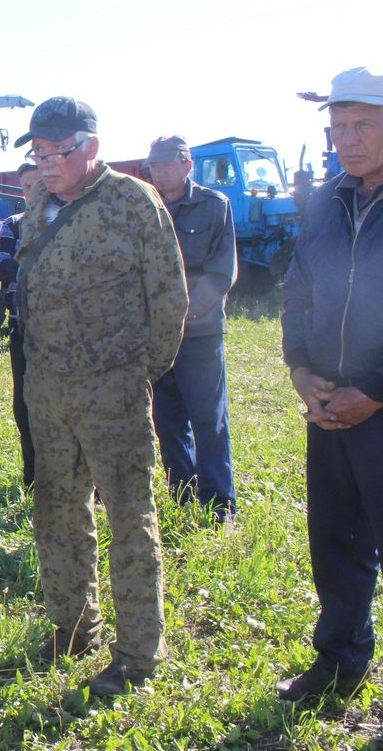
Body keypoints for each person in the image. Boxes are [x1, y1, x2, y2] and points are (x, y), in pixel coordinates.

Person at [14, 97, 187, 696]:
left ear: (90, 146)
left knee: (129, 520)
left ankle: (139, 653)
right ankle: (73, 627)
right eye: (37, 154)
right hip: (48, 392)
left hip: (112, 392)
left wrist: (133, 373)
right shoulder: (38, 203)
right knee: (57, 512)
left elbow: (169, 301)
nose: (45, 165)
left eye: (56, 153)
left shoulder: (134, 203)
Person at [277, 67, 383, 702]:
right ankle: (340, 662)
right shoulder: (327, 200)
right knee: (334, 537)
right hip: (329, 405)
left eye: (363, 125)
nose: (347, 140)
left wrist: (378, 389)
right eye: (337, 128)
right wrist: (301, 369)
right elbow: (297, 288)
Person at [145, 136, 238, 520]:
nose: (160, 171)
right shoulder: (142, 206)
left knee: (208, 419)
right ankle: (182, 494)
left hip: (199, 333)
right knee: (166, 419)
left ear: (187, 164)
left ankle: (219, 506)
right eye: (154, 165)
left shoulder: (214, 206)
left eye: (168, 163)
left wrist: (183, 315)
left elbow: (221, 272)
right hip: (153, 336)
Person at [0, 161, 42, 488]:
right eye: (27, 187)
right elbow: (0, 266)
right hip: (22, 330)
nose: (34, 192)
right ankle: (33, 479)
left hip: (63, 334)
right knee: (23, 406)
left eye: (40, 184)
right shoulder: (13, 224)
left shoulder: (68, 222)